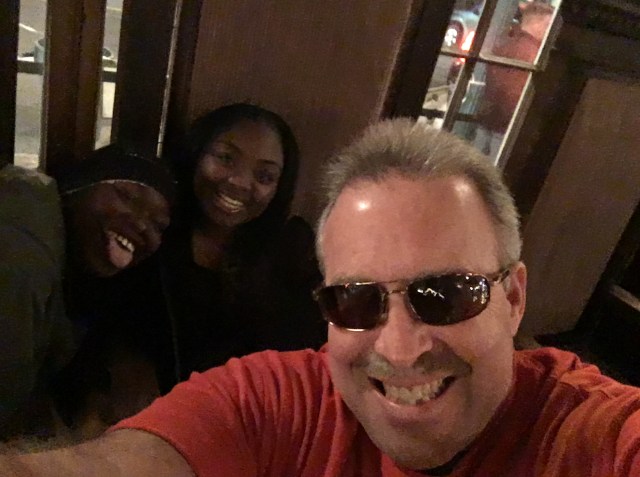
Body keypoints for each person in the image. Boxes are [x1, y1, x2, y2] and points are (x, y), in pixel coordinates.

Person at [2, 119, 639, 476]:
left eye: (447, 293)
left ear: (515, 297)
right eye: (357, 301)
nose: (400, 348)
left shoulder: (589, 437)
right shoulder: (285, 401)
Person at [51, 103, 326, 434]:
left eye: (264, 176)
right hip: (144, 427)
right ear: (197, 153)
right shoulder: (152, 233)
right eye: (225, 158)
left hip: (244, 433)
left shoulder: (290, 252)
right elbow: (99, 316)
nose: (240, 183)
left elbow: (306, 358)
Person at [0, 144, 174, 439]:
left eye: (158, 224)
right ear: (77, 188)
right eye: (126, 196)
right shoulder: (23, 257)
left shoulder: (77, 270)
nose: (142, 224)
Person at [474, 0, 554, 159]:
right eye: (548, 26)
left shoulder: (506, 43)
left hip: (487, 120)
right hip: (507, 128)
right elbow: (515, 95)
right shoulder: (534, 55)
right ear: (539, 24)